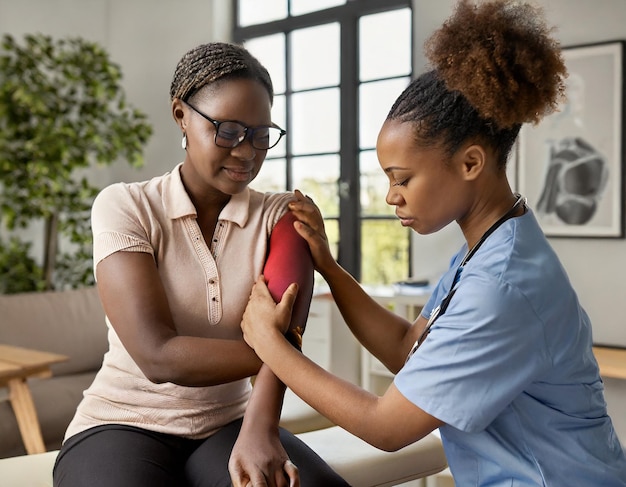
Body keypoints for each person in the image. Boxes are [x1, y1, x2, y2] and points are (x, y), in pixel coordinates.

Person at [240, 1, 626, 485]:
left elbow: (387, 426)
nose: (390, 196)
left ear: (470, 164)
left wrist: (268, 343)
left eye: (402, 179)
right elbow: (408, 348)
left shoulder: (500, 286)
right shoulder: (486, 248)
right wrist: (331, 270)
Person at [53, 42, 349, 487]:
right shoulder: (126, 206)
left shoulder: (282, 216)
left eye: (261, 134)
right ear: (181, 115)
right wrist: (276, 351)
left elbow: (289, 329)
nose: (247, 152)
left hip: (230, 422)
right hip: (121, 422)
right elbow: (158, 356)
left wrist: (260, 428)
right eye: (228, 131)